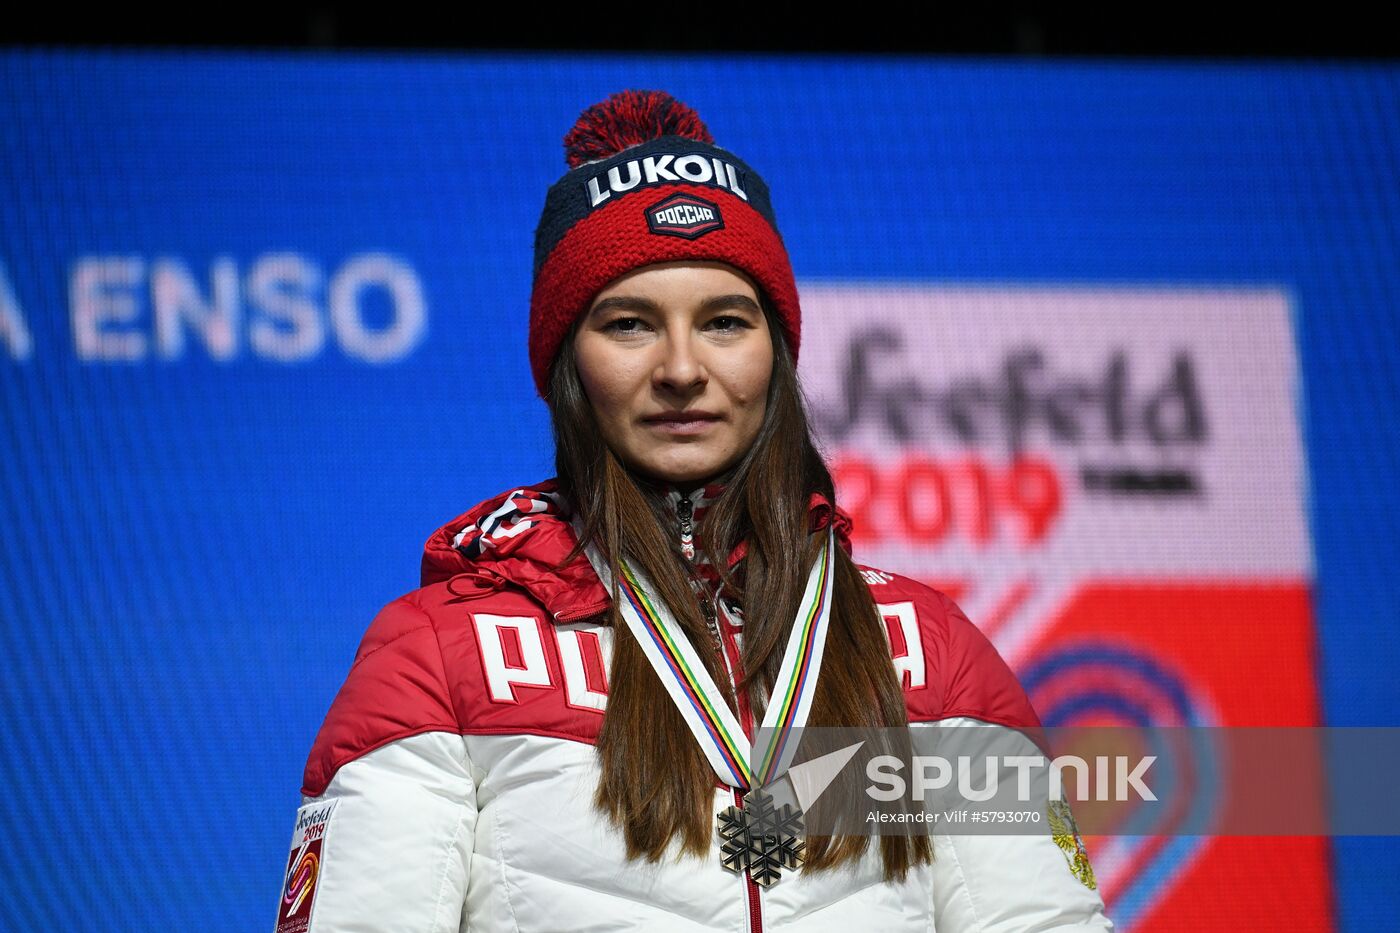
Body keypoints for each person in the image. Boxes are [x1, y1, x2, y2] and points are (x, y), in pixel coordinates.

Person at [274, 90, 1114, 933]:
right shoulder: (439, 658)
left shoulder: (928, 652)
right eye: (631, 324)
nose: (681, 367)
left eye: (723, 322)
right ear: (569, 364)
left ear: (775, 354)